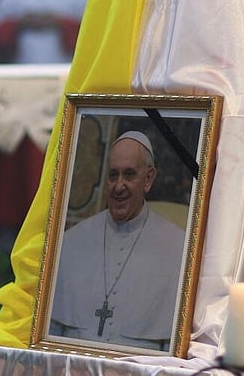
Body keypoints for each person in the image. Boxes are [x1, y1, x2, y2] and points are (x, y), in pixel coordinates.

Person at [0, 0, 92, 229]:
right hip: (23, 85)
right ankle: (15, 219)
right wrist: (20, 24)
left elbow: (95, 33)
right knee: (21, 157)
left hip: (67, 84)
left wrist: (60, 24)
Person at [50, 131, 186, 351]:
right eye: (113, 175)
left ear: (148, 179)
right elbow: (51, 338)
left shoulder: (177, 248)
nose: (118, 186)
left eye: (129, 175)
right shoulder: (71, 242)